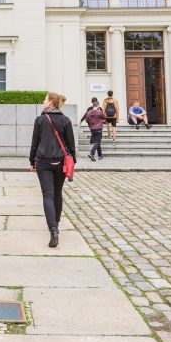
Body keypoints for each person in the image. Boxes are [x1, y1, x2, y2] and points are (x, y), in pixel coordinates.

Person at [30, 92, 76, 248]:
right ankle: (56, 224)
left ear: (50, 102)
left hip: (43, 162)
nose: (43, 101)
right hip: (61, 162)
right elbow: (71, 145)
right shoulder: (66, 120)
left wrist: (32, 161)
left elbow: (35, 144)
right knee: (57, 193)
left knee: (47, 195)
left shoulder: (40, 120)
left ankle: (53, 230)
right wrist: (72, 162)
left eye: (45, 99)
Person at [80, 97, 107, 162]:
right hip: (98, 128)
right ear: (97, 105)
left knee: (97, 141)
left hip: (92, 128)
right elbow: (104, 118)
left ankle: (100, 155)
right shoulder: (99, 111)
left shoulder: (89, 111)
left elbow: (86, 120)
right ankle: (92, 153)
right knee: (97, 142)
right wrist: (101, 121)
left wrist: (90, 123)